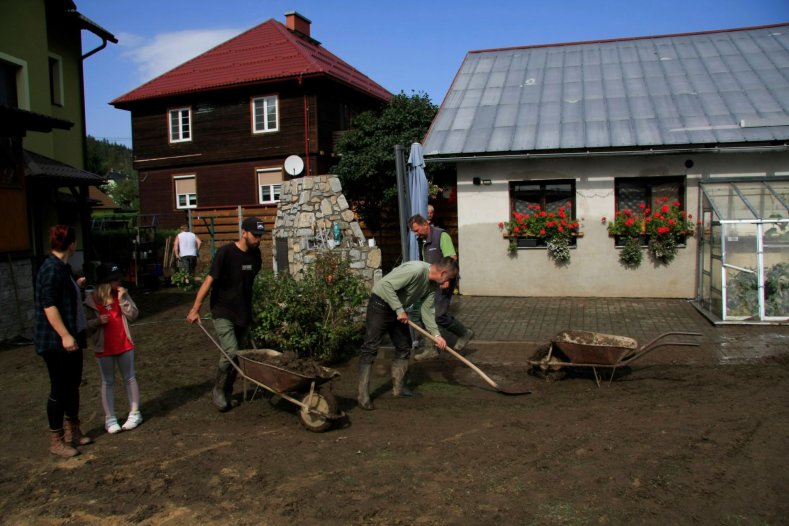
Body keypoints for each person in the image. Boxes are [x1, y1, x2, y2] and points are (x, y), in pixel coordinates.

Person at [357, 257, 459, 410]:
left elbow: (427, 311)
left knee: (404, 347)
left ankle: (399, 389)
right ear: (443, 273)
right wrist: (399, 310)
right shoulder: (416, 271)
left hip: (398, 310)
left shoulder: (431, 285)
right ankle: (362, 394)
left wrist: (436, 335)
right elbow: (385, 285)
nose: (448, 284)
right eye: (449, 279)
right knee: (370, 348)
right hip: (380, 305)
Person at [186, 217, 264, 412]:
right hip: (223, 311)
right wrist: (195, 308)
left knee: (239, 356)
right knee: (230, 351)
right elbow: (209, 281)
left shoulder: (256, 256)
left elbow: (248, 284)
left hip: (243, 312)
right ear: (244, 232)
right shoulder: (225, 253)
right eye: (255, 235)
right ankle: (218, 390)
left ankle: (228, 391)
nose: (258, 239)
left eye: (261, 236)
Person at [34, 225, 93, 457]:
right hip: (55, 342)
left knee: (72, 385)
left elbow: (60, 295)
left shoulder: (62, 268)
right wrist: (65, 335)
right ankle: (56, 439)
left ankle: (73, 430)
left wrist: (74, 287)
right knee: (59, 388)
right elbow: (49, 305)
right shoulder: (50, 269)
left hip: (72, 338)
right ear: (71, 244)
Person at [84, 262, 141, 434]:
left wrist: (123, 300)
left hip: (124, 344)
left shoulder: (121, 295)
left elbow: (134, 315)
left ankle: (135, 413)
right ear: (105, 282)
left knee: (129, 377)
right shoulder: (91, 300)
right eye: (115, 279)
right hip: (104, 348)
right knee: (107, 381)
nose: (119, 282)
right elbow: (85, 326)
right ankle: (110, 418)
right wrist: (97, 321)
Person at [408, 214, 474, 360]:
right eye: (414, 231)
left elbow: (452, 258)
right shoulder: (422, 240)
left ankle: (464, 333)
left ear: (425, 224)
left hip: (445, 279)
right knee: (420, 314)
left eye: (417, 230)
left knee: (438, 315)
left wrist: (446, 280)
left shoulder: (441, 235)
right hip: (433, 280)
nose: (415, 234)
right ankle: (431, 348)